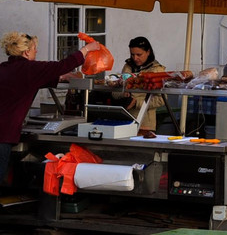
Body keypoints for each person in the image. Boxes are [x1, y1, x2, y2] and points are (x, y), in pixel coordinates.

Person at [0, 33, 103, 184]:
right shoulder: (30, 68)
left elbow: (29, 81)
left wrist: (61, 77)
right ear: (27, 52)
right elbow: (62, 65)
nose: (36, 52)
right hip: (3, 135)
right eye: (34, 49)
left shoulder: (4, 68)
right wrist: (86, 49)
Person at [121, 36, 166, 134]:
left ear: (148, 52)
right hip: (124, 121)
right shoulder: (127, 66)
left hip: (145, 124)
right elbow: (115, 91)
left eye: (139, 54)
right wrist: (122, 94)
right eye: (132, 54)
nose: (135, 58)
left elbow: (161, 100)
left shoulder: (157, 70)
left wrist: (136, 103)